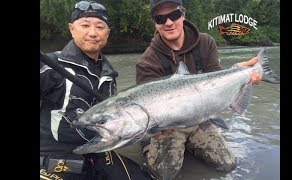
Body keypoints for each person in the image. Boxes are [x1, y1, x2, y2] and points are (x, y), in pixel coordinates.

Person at [136, 0, 262, 179]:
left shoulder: (206, 42)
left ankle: (188, 147)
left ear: (183, 14)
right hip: (168, 128)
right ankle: (172, 148)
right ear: (154, 23)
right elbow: (148, 118)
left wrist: (237, 73)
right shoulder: (147, 61)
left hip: (201, 119)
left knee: (226, 165)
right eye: (161, 18)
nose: (169, 22)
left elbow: (218, 82)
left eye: (174, 15)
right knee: (163, 175)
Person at [40, 1, 152, 179]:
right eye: (85, 25)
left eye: (100, 27)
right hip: (55, 155)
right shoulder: (50, 65)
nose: (92, 33)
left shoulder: (110, 74)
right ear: (71, 28)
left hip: (99, 150)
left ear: (107, 33)